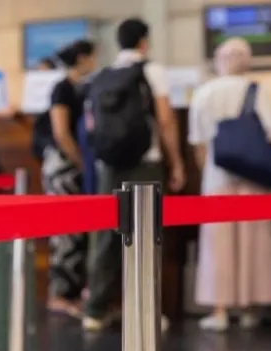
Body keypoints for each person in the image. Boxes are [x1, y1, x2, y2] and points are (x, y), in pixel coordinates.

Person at [82, 17, 186, 331]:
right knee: (144, 235)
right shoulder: (152, 71)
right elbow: (166, 120)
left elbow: (90, 124)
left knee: (105, 236)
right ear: (144, 41)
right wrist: (177, 162)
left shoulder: (101, 76)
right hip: (145, 161)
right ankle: (145, 311)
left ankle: (95, 310)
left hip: (108, 164)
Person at [189, 38, 271, 332]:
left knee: (218, 244)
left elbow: (198, 144)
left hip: (217, 178)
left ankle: (219, 310)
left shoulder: (203, 93)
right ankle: (249, 307)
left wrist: (208, 170)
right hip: (253, 178)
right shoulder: (256, 91)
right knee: (252, 241)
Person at [43, 40, 98, 317]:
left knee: (77, 233)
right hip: (63, 168)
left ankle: (73, 292)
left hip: (75, 166)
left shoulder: (83, 88)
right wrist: (81, 162)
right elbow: (61, 133)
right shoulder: (62, 89)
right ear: (82, 58)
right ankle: (59, 295)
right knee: (64, 233)